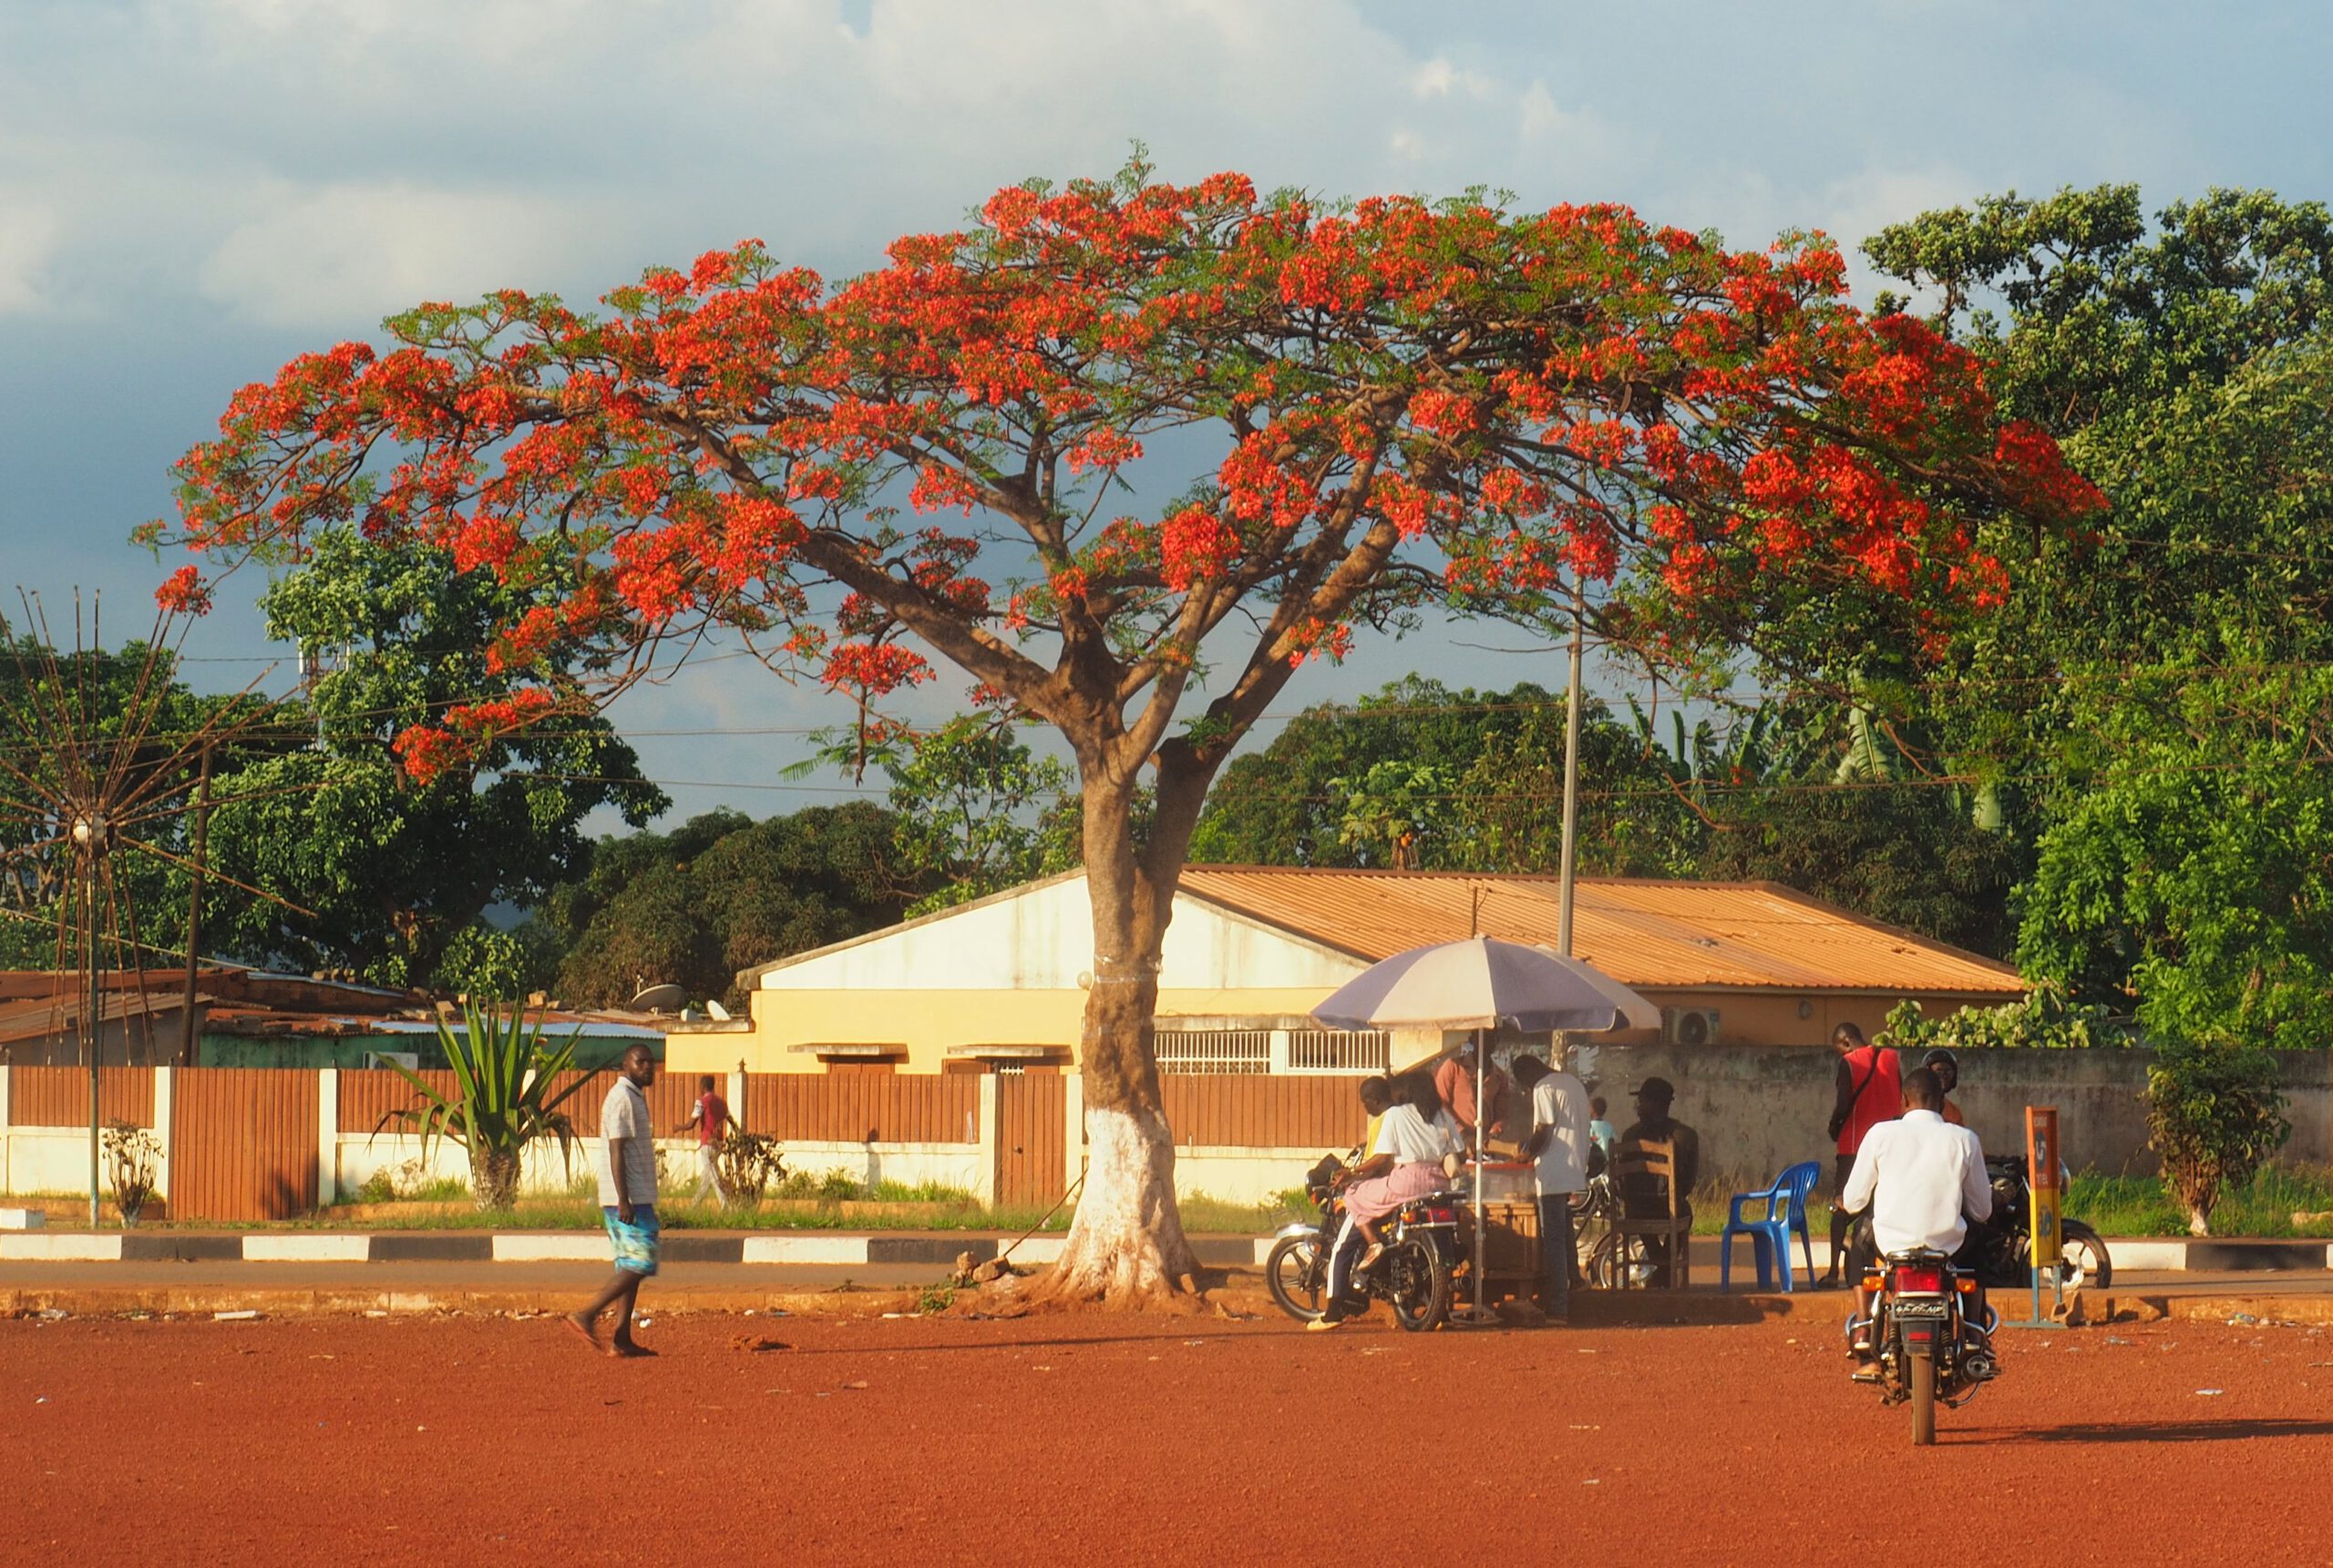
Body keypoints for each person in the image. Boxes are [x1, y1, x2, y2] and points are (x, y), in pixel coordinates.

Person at [1838, 1066, 1992, 1378]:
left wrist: (1848, 1204)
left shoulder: (1880, 1134)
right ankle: (1975, 1331)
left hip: (1890, 1246)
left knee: (1857, 1240)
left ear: (1903, 1101)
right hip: (1948, 1248)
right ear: (1940, 1103)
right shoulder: (1965, 1139)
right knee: (1980, 1244)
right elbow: (1981, 1210)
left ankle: (1864, 1328)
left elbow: (1854, 1201)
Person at [1311, 1075, 1461, 1332]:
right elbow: (1460, 1151)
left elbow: (1382, 1159)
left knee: (1354, 1193)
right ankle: (1439, 1311)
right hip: (1439, 1182)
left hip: (1407, 1180)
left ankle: (1374, 1245)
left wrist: (1352, 1174)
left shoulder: (1397, 1115)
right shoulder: (1442, 1115)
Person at [568, 1044, 661, 1358]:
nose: (648, 1067)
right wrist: (624, 1199)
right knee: (641, 1261)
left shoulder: (634, 1096)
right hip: (628, 1197)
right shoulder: (621, 1099)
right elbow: (616, 1149)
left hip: (635, 1195)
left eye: (651, 1062)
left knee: (629, 1266)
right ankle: (587, 1314)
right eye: (641, 1062)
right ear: (626, 1065)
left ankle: (621, 1339)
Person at [1820, 1021, 1901, 1289]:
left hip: (1854, 1145)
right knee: (1878, 1207)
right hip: (1890, 1145)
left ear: (1845, 1042)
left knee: (1841, 1208)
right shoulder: (1891, 1058)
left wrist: (1834, 1124)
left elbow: (1844, 1103)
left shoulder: (1850, 1063)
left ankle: (1833, 1271)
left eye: (1838, 1050)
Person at [1513, 1053, 1591, 1325]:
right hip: (1574, 1164)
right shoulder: (1572, 1082)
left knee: (1553, 1237)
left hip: (1554, 1169)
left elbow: (1544, 1130)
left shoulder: (1544, 1088)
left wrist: (1526, 1153)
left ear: (1527, 1076)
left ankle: (1559, 1306)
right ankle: (1575, 1279)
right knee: (1565, 1224)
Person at [1617, 1077, 1700, 1276]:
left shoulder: (1629, 1136)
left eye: (1641, 1101)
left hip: (1635, 1210)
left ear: (1653, 1104)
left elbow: (1622, 1183)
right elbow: (1689, 1183)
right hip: (1667, 1208)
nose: (1637, 1107)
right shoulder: (1686, 1135)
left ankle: (1661, 1270)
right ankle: (1664, 1271)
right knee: (1684, 1214)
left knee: (1637, 1211)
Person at [1433, 1037, 1515, 1148]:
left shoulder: (1500, 1077)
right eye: (1480, 1038)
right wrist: (1462, 1133)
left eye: (1489, 1039)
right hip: (1455, 1143)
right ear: (1472, 1040)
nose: (1485, 1043)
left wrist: (1493, 1134)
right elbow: (1440, 1104)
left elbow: (1502, 1114)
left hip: (1485, 1146)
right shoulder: (1453, 1066)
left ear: (1497, 1040)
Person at [673, 1072, 736, 1202]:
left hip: (707, 1142)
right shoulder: (722, 1103)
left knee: (712, 1174)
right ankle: (694, 1204)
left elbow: (691, 1124)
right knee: (708, 1177)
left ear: (702, 1086)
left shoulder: (701, 1102)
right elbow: (731, 1121)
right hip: (719, 1143)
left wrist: (679, 1127)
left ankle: (725, 1203)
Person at [1922, 1049, 1965, 1126]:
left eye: (1948, 1071)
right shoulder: (1913, 1105)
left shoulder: (1954, 1111)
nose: (1944, 1076)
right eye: (1939, 1071)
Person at [1588, 1096, 1617, 1165]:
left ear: (1592, 1110)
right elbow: (1614, 1142)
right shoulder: (1609, 1126)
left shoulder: (1589, 1126)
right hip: (1607, 1162)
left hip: (1594, 1164)